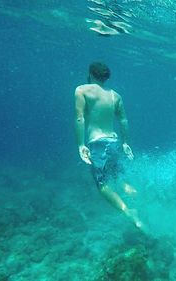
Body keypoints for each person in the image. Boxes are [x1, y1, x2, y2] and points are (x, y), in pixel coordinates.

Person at [75, 62, 142, 229]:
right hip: (114, 142)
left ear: (90, 74)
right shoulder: (115, 96)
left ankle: (128, 211)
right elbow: (123, 120)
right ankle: (145, 200)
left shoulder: (82, 90)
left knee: (103, 185)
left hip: (97, 143)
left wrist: (80, 144)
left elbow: (79, 118)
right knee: (121, 181)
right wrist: (126, 142)